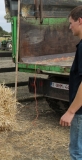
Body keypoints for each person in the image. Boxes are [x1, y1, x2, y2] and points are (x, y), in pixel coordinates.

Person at [59, 5, 82, 160]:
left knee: (77, 152)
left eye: (71, 23)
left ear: (80, 21)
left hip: (81, 111)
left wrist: (71, 111)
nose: (69, 27)